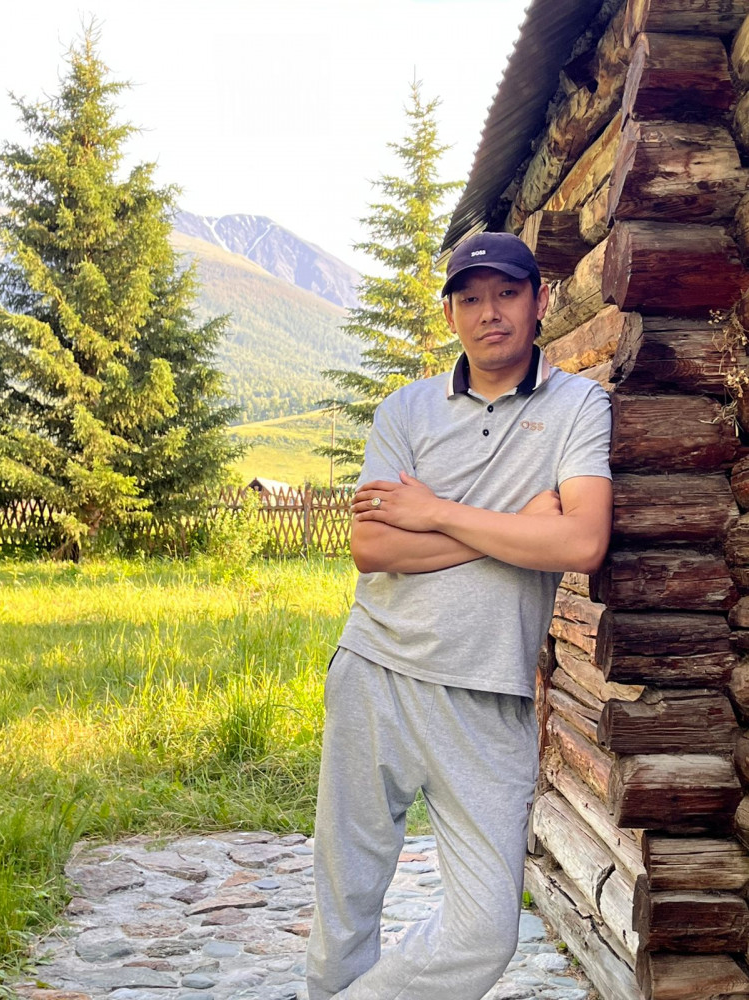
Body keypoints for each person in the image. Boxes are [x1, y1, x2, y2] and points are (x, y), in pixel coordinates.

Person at [305, 232, 612, 1000]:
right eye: (469, 298)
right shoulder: (404, 411)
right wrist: (517, 529)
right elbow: (374, 547)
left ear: (540, 302)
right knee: (345, 906)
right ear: (450, 313)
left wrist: (435, 512)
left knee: (484, 932)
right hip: (377, 671)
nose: (489, 313)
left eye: (506, 293)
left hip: (488, 695)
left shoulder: (579, 406)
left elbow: (580, 540)